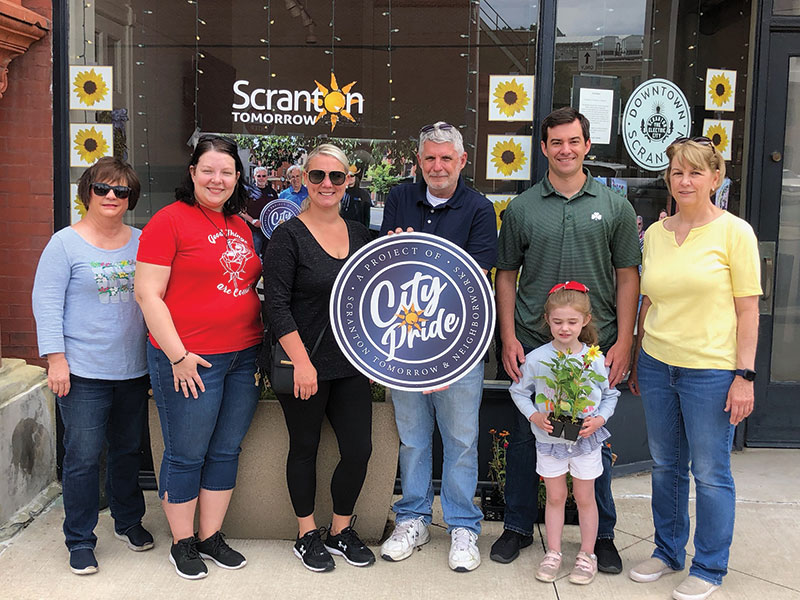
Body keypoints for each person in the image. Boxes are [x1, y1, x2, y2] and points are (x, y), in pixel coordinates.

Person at [493, 107, 640, 572]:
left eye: (574, 141)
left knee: (593, 440)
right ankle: (518, 526)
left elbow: (627, 276)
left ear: (587, 145)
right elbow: (506, 275)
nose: (565, 150)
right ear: (543, 148)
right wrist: (508, 335)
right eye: (556, 142)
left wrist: (626, 341)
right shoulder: (522, 208)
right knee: (527, 438)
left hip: (595, 347)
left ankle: (602, 537)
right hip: (534, 345)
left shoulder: (615, 207)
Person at [627, 137, 761, 600]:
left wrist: (744, 376)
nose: (684, 181)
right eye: (677, 172)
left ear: (715, 178)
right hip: (658, 364)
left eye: (695, 172)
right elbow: (648, 300)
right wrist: (639, 358)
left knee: (710, 472)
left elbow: (748, 311)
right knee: (666, 465)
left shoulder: (735, 233)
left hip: (711, 371)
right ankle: (668, 551)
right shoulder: (656, 234)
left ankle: (709, 566)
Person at [135, 135, 262, 580]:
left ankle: (210, 536)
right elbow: (147, 295)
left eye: (226, 172)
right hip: (190, 359)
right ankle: (183, 542)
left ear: (237, 178)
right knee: (187, 453)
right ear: (192, 173)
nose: (217, 179)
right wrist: (178, 356)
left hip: (243, 356)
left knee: (226, 450)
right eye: (208, 170)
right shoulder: (168, 221)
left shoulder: (240, 225)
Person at [378, 121, 497, 572]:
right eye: (430, 157)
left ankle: (463, 525)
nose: (438, 166)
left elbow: (472, 282)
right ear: (419, 161)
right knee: (412, 438)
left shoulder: (480, 209)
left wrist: (441, 364)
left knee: (462, 440)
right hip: (405, 345)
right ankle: (413, 518)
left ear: (462, 161)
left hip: (459, 346)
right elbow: (387, 268)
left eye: (446, 158)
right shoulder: (399, 198)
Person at [32, 157, 151, 575]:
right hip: (82, 372)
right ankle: (80, 538)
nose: (111, 196)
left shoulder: (142, 242)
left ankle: (127, 521)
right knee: (82, 457)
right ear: (88, 192)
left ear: (130, 198)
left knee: (127, 451)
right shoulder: (64, 244)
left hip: (133, 368)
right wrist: (56, 360)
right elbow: (46, 304)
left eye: (121, 190)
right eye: (103, 188)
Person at [263, 144, 375, 573]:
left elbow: (374, 297)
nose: (327, 184)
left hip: (349, 364)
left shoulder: (361, 234)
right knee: (305, 448)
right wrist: (302, 362)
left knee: (359, 450)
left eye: (336, 176)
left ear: (348, 181)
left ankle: (340, 530)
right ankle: (306, 533)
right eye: (317, 175)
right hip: (303, 362)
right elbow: (276, 306)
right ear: (304, 180)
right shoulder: (288, 236)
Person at [509, 282, 619, 586]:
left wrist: (599, 419)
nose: (565, 328)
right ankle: (554, 552)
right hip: (549, 441)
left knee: (585, 497)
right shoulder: (537, 358)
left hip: (585, 442)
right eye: (557, 321)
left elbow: (610, 394)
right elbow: (519, 391)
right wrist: (534, 415)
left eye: (572, 321)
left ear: (585, 320)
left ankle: (587, 554)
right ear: (547, 320)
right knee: (555, 497)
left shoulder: (594, 359)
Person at [240, 166, 278, 258]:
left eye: (263, 176)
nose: (261, 178)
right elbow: (240, 209)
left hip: (269, 232)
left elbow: (277, 209)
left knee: (268, 256)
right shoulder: (248, 190)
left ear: (267, 177)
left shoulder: (272, 192)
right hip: (254, 231)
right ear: (254, 177)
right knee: (253, 256)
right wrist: (252, 220)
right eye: (259, 176)